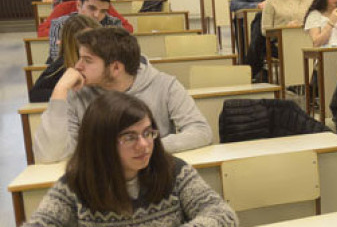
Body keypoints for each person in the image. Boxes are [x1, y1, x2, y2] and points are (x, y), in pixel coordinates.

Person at [19, 92, 238, 227]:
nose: (144, 145)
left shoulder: (174, 171)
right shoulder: (76, 185)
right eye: (129, 137)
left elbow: (222, 214)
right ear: (101, 143)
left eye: (147, 133)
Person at [33, 27, 213, 163]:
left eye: (87, 60)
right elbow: (50, 155)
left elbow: (201, 132)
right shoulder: (77, 94)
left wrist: (143, 148)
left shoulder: (165, 85)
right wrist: (59, 90)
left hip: (152, 175)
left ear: (116, 68)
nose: (77, 66)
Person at [30, 15, 101, 103]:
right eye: (85, 40)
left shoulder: (106, 59)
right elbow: (35, 94)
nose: (92, 43)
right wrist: (67, 92)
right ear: (72, 43)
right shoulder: (61, 65)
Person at [47, 0, 124, 63]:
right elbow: (56, 56)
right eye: (92, 8)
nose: (97, 15)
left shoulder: (113, 23)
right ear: (79, 5)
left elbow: (118, 55)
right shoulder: (60, 24)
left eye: (103, 11)